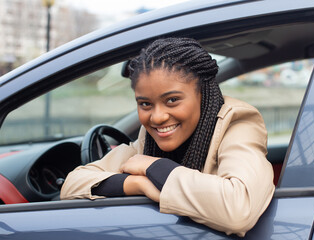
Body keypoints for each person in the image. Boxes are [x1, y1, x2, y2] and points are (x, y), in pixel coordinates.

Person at [60, 37, 275, 237]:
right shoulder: (150, 137)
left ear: (203, 93)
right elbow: (72, 186)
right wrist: (140, 184)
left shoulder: (238, 121)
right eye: (145, 104)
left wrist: (155, 167)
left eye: (172, 100)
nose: (158, 117)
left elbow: (238, 210)